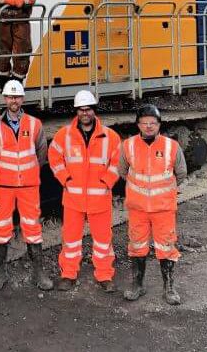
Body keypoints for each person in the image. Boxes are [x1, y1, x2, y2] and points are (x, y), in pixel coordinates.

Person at [0, 80, 53, 292]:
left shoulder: (34, 124)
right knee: (1, 228)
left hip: (28, 186)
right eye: (10, 97)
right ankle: (0, 272)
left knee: (32, 226)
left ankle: (39, 272)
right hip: (3, 186)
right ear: (5, 99)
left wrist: (27, 173)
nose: (14, 100)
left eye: (17, 97)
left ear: (22, 99)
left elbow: (41, 154)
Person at [48, 90, 122, 292]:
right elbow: (54, 157)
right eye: (81, 110)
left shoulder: (110, 136)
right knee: (70, 239)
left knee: (103, 240)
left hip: (100, 199)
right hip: (73, 198)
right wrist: (65, 179)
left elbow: (119, 162)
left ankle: (105, 275)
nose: (84, 113)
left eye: (88, 109)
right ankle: (68, 274)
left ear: (94, 110)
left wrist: (107, 181)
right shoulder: (64, 135)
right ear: (76, 111)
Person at [117, 104, 188, 305]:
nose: (148, 126)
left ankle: (169, 288)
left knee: (166, 247)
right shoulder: (128, 145)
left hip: (163, 209)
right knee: (137, 247)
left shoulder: (171, 146)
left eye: (153, 123)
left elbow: (180, 173)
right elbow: (122, 171)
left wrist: (162, 193)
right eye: (144, 123)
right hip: (138, 209)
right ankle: (137, 285)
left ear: (159, 125)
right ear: (138, 125)